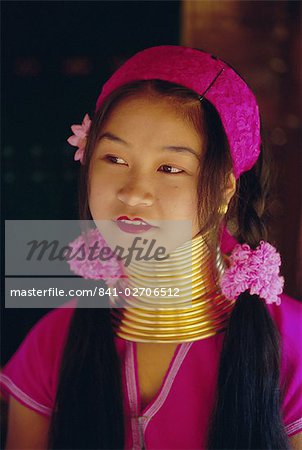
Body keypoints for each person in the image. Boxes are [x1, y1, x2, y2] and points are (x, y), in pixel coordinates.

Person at [1, 45, 301, 450]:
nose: (134, 192)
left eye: (170, 168)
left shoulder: (291, 345)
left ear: (225, 187)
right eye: (114, 158)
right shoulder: (54, 340)